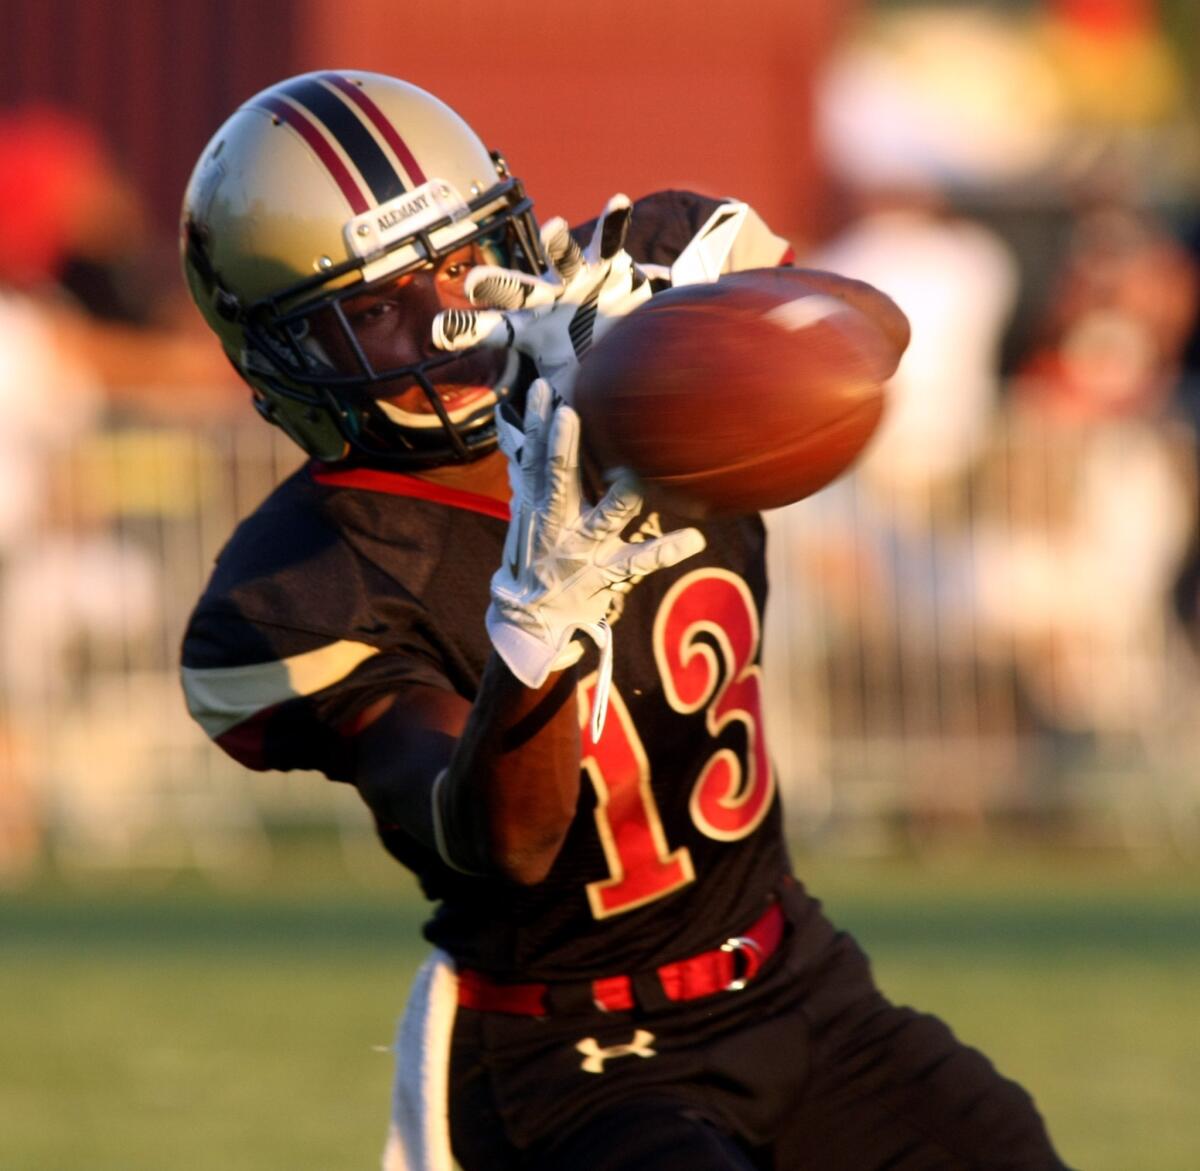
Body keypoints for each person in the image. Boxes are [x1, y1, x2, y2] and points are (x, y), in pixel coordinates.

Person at [178, 71, 1074, 1171]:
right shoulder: (301, 586)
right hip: (572, 1056)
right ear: (283, 355)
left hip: (794, 976)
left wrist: (674, 328)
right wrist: (538, 621)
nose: (445, 321)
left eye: (458, 263)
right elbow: (506, 841)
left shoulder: (642, 275)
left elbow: (873, 337)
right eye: (371, 310)